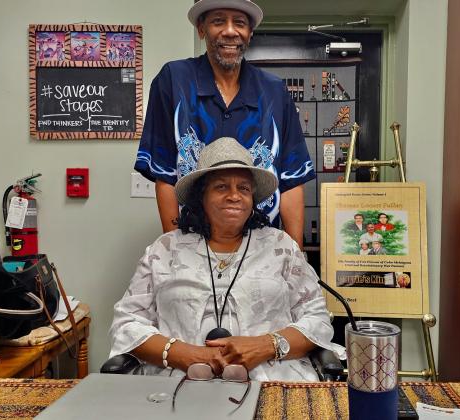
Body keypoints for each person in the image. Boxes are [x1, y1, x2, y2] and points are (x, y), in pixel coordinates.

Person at [111, 138, 342, 382]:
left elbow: (316, 318)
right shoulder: (165, 249)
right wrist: (184, 354)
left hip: (271, 378)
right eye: (221, 187)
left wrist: (264, 346)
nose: (234, 196)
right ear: (202, 196)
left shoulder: (281, 246)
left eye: (243, 188)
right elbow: (127, 322)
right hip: (176, 380)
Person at [134, 0, 314, 249]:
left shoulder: (274, 92)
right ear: (201, 29)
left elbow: (291, 178)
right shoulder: (174, 81)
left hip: (262, 250)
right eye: (218, 21)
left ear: (250, 33)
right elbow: (164, 174)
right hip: (194, 242)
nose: (230, 31)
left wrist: (295, 258)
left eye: (239, 22)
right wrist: (176, 254)